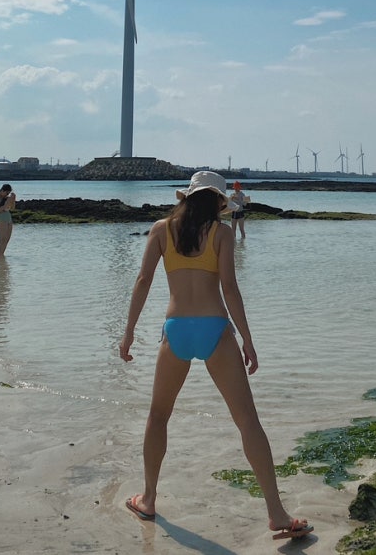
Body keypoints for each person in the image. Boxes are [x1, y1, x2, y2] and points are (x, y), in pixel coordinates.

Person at [119, 170, 313, 542]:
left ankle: (148, 499)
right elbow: (230, 288)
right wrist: (247, 340)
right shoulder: (221, 233)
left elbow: (143, 281)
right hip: (216, 329)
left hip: (176, 330)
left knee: (158, 416)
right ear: (219, 202)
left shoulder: (161, 229)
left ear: (187, 197)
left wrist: (128, 332)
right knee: (248, 421)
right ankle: (276, 512)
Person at [0, 183, 16, 258]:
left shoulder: (7, 198)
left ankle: (1, 257)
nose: (7, 195)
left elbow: (12, 208)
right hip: (1, 219)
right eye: (6, 193)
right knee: (2, 239)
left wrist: (13, 200)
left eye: (8, 193)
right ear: (2, 190)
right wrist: (6, 203)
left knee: (7, 240)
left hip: (8, 218)